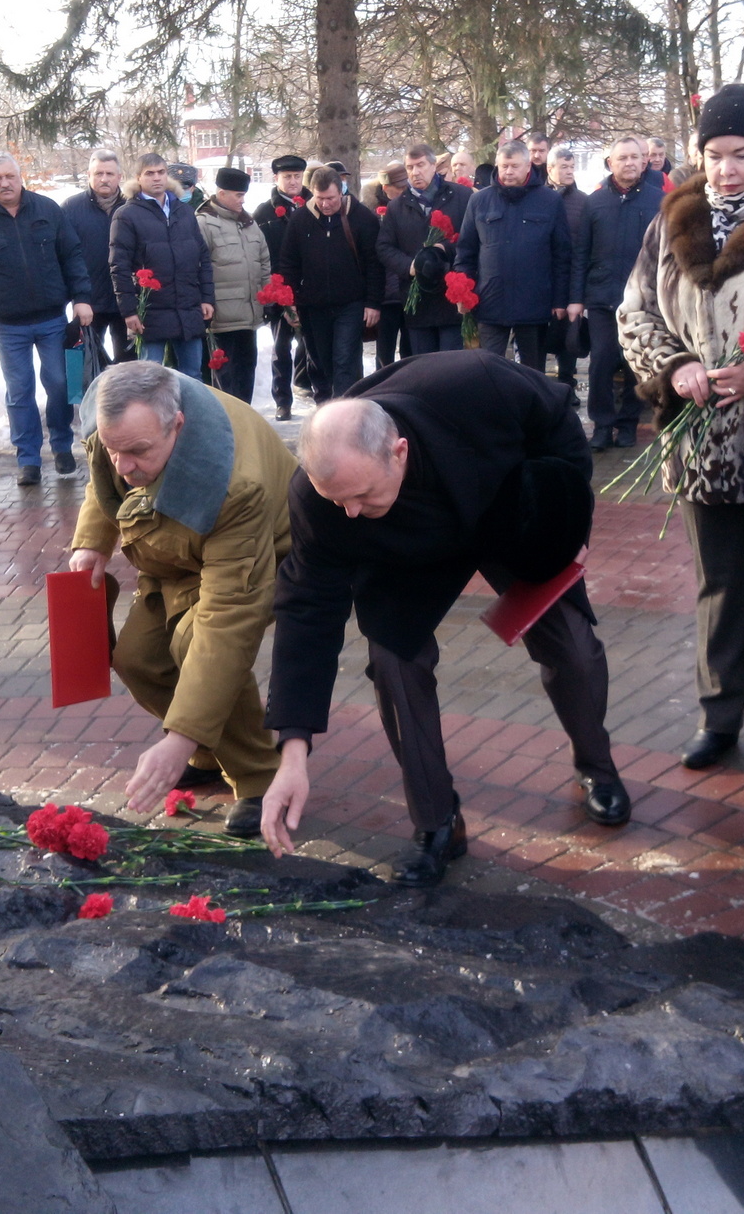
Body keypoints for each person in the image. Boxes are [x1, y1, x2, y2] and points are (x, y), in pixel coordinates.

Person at [258, 349, 631, 884]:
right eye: (338, 501)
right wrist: (294, 750)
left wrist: (568, 523)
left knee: (571, 642)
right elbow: (306, 610)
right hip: (407, 557)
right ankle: (437, 822)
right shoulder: (325, 500)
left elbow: (557, 423)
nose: (351, 513)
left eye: (361, 494)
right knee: (393, 663)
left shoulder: (474, 385)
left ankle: (597, 767)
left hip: (505, 507)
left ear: (398, 450)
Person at [619, 87, 744, 786]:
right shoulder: (673, 222)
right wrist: (675, 369)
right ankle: (717, 716)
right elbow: (635, 311)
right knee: (717, 585)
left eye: (743, 154)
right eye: (714, 155)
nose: (727, 169)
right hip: (700, 436)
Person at [68, 361, 291, 834]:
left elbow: (228, 621)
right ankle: (210, 754)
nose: (125, 468)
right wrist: (92, 540)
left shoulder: (235, 486)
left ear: (178, 426)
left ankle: (259, 778)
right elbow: (102, 476)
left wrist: (177, 736)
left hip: (261, 555)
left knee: (195, 647)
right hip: (173, 555)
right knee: (137, 660)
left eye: (138, 453)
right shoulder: (117, 414)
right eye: (114, 450)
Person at [0, 150, 93, 485]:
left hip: (51, 320)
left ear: (20, 177)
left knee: (59, 384)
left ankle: (61, 447)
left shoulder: (47, 210)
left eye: (9, 176)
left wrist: (82, 298)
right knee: (19, 391)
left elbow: (72, 255)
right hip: (8, 324)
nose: (4, 183)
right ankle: (28, 458)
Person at [455, 140, 580, 371]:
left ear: (527, 166)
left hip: (534, 303)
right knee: (488, 369)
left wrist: (560, 300)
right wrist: (463, 291)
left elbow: (562, 254)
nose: (508, 172)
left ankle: (532, 408)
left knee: (532, 372)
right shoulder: (479, 201)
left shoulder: (549, 201)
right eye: (504, 166)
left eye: (514, 166)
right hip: (490, 302)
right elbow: (466, 251)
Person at [577, 136, 662, 450]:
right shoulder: (593, 202)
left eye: (634, 158)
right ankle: (601, 425)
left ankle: (627, 424)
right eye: (621, 158)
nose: (628, 163)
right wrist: (576, 298)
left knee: (634, 364)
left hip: (642, 300)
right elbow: (580, 253)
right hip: (601, 297)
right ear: (610, 163)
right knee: (601, 361)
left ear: (643, 162)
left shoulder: (658, 201)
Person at [276, 166, 381, 400]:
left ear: (342, 193)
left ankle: (343, 409)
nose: (325, 204)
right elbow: (289, 262)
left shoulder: (362, 218)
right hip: (313, 304)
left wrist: (373, 302)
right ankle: (325, 406)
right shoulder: (301, 219)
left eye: (331, 198)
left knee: (344, 359)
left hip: (350, 303)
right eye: (319, 198)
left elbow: (374, 263)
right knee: (321, 360)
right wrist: (290, 299)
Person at [112, 151, 213, 377]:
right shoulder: (126, 215)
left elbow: (203, 258)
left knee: (192, 378)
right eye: (150, 173)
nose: (157, 178)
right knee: (150, 381)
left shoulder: (184, 212)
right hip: (151, 314)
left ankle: (188, 415)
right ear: (138, 178)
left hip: (187, 309)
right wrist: (129, 311)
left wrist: (207, 298)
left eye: (161, 172)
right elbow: (119, 267)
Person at [378, 141, 475, 356]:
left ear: (434, 166)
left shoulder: (461, 196)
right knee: (423, 368)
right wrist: (409, 266)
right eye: (410, 167)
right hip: (418, 300)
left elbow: (474, 239)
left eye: (420, 165)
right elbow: (384, 247)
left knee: (450, 369)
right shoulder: (397, 206)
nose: (415, 172)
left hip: (453, 297)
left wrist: (445, 248)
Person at [196, 167, 271, 403]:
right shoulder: (204, 223)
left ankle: (245, 422)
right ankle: (229, 425)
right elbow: (198, 267)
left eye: (243, 195)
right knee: (225, 380)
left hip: (249, 315)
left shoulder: (249, 223)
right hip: (221, 318)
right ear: (221, 193)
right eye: (238, 195)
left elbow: (264, 262)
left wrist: (267, 297)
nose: (242, 200)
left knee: (246, 372)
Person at [252, 154, 314, 418]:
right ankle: (282, 401)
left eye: (297, 177)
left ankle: (319, 391)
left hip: (311, 289)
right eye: (287, 177)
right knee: (280, 348)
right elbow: (259, 253)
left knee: (312, 345)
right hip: (278, 289)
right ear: (276, 178)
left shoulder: (315, 205)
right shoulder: (264, 212)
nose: (292, 182)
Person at [63, 150, 130, 370]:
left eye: (109, 173)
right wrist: (75, 295)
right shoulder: (70, 209)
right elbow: (63, 254)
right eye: (98, 173)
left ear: (119, 176)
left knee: (128, 367)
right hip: (89, 301)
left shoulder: (133, 206)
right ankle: (91, 404)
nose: (104, 179)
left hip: (127, 302)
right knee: (89, 365)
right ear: (89, 176)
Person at [546, 147, 589, 394]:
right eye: (563, 167)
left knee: (568, 340)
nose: (569, 171)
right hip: (542, 279)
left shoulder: (583, 202)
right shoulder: (539, 197)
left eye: (571, 167)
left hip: (571, 278)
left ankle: (567, 386)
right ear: (550, 169)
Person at [367, 161, 413, 368]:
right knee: (384, 353)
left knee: (410, 350)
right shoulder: (371, 214)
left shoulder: (412, 206)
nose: (406, 191)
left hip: (410, 290)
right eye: (400, 188)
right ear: (386, 189)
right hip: (386, 296)